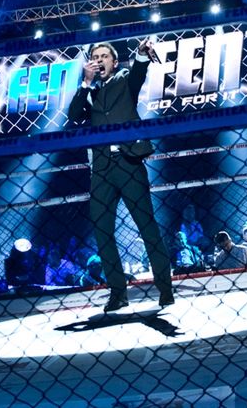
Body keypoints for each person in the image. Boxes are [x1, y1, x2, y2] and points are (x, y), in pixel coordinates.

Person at [67, 40, 174, 311]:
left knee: (147, 226)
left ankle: (165, 288)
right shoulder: (89, 91)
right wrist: (85, 83)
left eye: (104, 56)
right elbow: (74, 115)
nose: (99, 60)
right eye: (95, 56)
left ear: (114, 62)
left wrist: (141, 53)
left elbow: (138, 71)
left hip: (128, 162)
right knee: (102, 230)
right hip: (102, 169)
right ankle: (117, 293)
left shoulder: (125, 80)